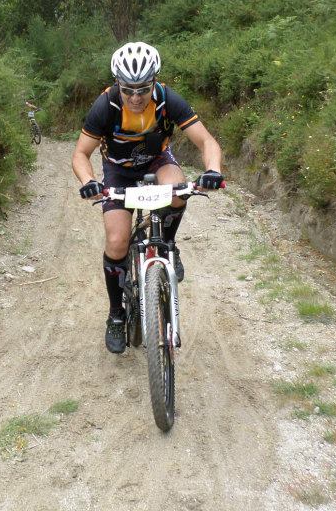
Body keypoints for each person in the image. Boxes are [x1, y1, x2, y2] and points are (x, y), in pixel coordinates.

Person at [71, 42, 225, 354]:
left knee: (178, 190)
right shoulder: (106, 106)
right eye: (128, 90)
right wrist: (88, 181)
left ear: (154, 81)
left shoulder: (168, 99)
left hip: (158, 161)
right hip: (118, 171)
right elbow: (80, 154)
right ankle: (116, 314)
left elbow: (206, 141)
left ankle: (168, 243)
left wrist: (213, 170)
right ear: (117, 84)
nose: (136, 97)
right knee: (117, 241)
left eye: (143, 88)